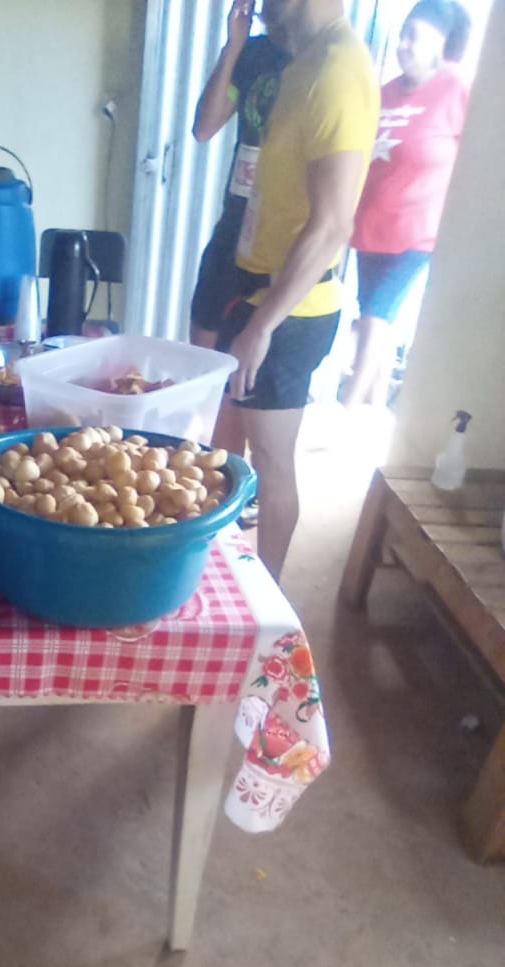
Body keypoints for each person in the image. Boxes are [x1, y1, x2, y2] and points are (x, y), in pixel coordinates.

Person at [212, 0, 379, 580]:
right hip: (254, 292)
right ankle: (226, 578)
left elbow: (333, 225)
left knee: (271, 462)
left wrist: (262, 327)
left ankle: (268, 601)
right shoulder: (303, 60)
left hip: (289, 312)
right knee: (226, 446)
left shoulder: (338, 68)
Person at [344, 0, 471, 410]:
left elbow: (477, 159)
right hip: (370, 230)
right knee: (378, 322)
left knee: (374, 319)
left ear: (441, 41)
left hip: (418, 235)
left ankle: (345, 410)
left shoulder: (456, 91)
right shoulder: (384, 94)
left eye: (414, 36)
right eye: (402, 35)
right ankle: (372, 414)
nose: (403, 45)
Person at [190, 1, 291, 350]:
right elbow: (204, 127)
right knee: (203, 347)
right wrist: (233, 47)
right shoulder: (254, 54)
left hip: (281, 236)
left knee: (252, 359)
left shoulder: (318, 58)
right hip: (235, 223)